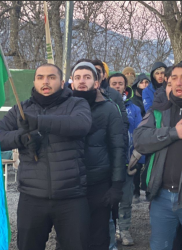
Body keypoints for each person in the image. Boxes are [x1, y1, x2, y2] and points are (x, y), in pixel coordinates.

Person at [0, 63, 91, 250]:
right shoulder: (21, 109)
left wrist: (39, 122)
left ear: (62, 82)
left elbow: (81, 124)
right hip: (32, 196)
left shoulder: (76, 104)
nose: (45, 82)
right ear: (34, 81)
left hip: (71, 195)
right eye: (40, 77)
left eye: (51, 77)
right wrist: (21, 138)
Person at [134, 62, 182, 250]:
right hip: (162, 198)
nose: (178, 82)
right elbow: (139, 140)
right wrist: (173, 133)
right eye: (174, 78)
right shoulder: (158, 111)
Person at [71, 62, 126, 250]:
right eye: (77, 77)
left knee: (99, 238)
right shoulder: (63, 107)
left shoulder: (109, 109)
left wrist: (117, 185)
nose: (82, 81)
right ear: (72, 83)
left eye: (87, 77)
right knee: (70, 238)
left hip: (99, 184)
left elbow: (118, 147)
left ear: (96, 82)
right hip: (69, 184)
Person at [108, 73, 144, 246]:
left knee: (126, 199)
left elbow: (139, 135)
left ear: (125, 86)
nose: (116, 86)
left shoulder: (134, 109)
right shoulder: (103, 104)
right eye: (113, 83)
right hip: (106, 163)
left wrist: (138, 159)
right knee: (107, 200)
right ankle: (109, 232)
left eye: (120, 83)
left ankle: (124, 229)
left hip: (127, 162)